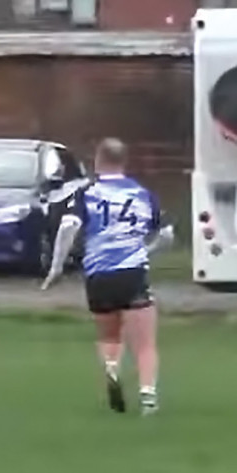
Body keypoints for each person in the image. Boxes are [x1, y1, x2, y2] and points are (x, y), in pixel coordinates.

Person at [41, 138, 174, 416]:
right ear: (124, 161)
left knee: (110, 336)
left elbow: (68, 226)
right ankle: (148, 396)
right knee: (146, 342)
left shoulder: (87, 193)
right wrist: (148, 250)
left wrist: (56, 267)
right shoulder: (141, 193)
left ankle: (112, 371)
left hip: (98, 274)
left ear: (98, 161)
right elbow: (167, 234)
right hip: (133, 271)